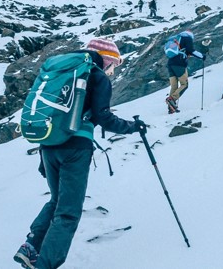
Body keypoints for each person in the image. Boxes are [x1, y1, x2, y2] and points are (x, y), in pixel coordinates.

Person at [14, 38, 147, 269]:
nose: (113, 68)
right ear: (105, 58)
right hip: (75, 149)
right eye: (114, 62)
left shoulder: (62, 69)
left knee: (56, 200)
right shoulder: (96, 76)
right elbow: (103, 117)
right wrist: (133, 127)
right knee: (68, 212)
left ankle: (31, 247)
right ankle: (44, 265)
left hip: (48, 144)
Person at [165, 30, 202, 114]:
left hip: (170, 64)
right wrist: (202, 56)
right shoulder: (187, 38)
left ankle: (171, 108)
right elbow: (191, 50)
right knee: (184, 85)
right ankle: (172, 99)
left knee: (174, 86)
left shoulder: (176, 39)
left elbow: (187, 51)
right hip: (179, 64)